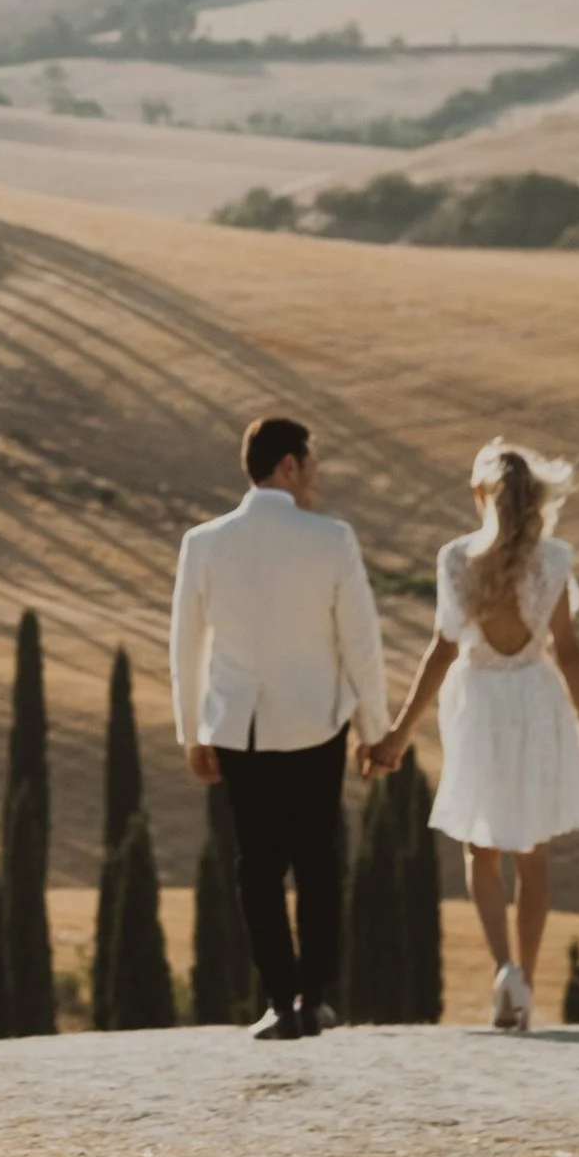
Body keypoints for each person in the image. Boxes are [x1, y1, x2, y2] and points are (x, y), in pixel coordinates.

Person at [364, 438, 579, 1030]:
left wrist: (399, 732)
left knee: (482, 846)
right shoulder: (554, 560)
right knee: (535, 852)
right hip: (536, 700)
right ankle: (525, 982)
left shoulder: (455, 559)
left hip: (478, 704)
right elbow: (569, 653)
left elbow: (441, 652)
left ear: (480, 494)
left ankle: (506, 970)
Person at [171, 414, 388, 1039]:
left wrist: (193, 732)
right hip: (318, 723)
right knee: (320, 861)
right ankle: (316, 998)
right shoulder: (332, 540)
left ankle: (279, 1000)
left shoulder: (204, 543)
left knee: (257, 866)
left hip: (241, 727)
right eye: (310, 463)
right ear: (287, 466)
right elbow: (361, 645)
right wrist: (374, 728)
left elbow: (184, 645)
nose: (315, 476)